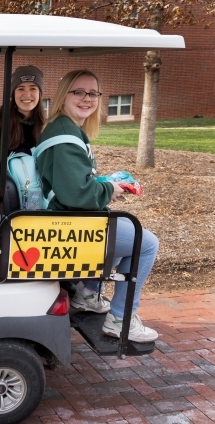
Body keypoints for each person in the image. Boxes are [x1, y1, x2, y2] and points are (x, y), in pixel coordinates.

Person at [36, 69, 159, 343]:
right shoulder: (66, 135)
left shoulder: (65, 127)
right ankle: (120, 320)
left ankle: (89, 294)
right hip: (67, 225)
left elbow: (72, 181)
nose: (86, 99)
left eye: (92, 93)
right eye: (78, 92)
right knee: (146, 243)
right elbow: (76, 194)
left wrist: (104, 187)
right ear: (63, 95)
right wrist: (108, 188)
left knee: (124, 229)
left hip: (70, 217)